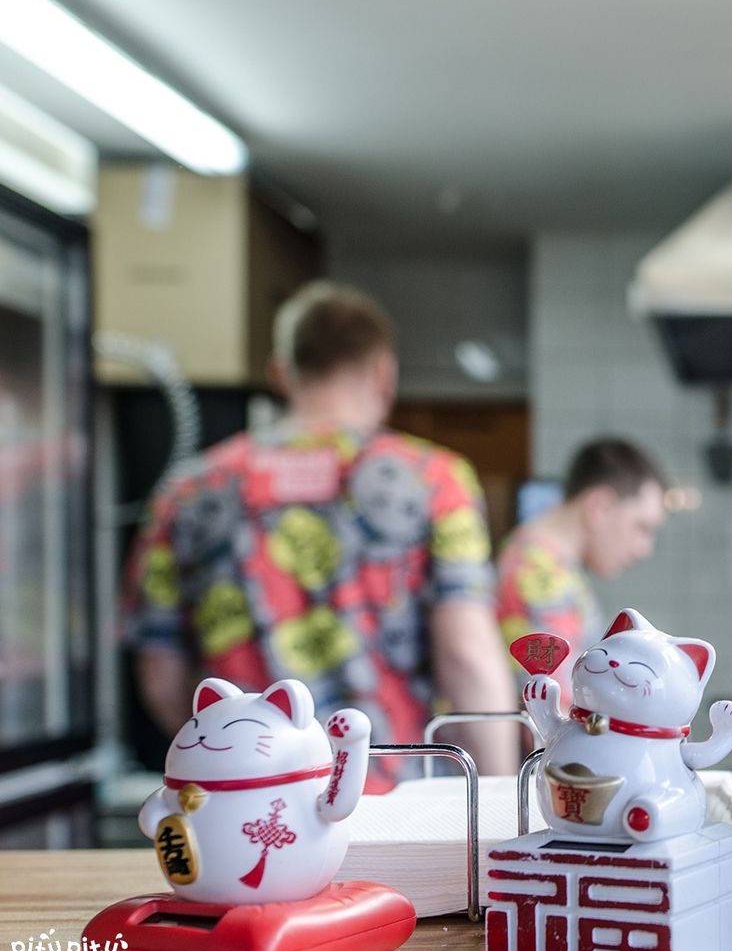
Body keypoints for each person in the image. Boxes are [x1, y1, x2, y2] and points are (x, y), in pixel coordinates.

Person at [123, 281, 515, 786]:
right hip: (395, 800)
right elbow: (467, 655)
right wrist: (502, 799)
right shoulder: (435, 480)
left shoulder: (188, 490)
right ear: (383, 373)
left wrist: (232, 763)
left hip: (250, 802)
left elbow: (160, 678)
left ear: (280, 373)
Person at [496, 439, 667, 701]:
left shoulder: (545, 564)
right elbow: (553, 707)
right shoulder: (540, 577)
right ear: (600, 507)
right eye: (641, 527)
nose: (644, 549)